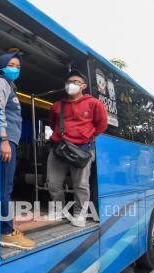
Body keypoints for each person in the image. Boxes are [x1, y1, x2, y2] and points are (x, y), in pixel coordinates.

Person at [46, 70, 108, 227]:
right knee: (53, 182)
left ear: (84, 86)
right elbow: (53, 124)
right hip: (59, 148)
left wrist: (87, 137)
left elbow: (102, 125)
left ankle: (79, 215)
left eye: (75, 82)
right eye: (69, 82)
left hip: (82, 149)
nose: (71, 84)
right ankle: (58, 211)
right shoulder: (57, 105)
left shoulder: (94, 103)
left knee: (80, 184)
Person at [0, 51, 36, 249]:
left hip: (10, 140)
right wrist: (4, 139)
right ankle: (6, 231)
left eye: (18, 66)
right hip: (6, 140)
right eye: (11, 64)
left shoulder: (10, 85)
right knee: (6, 186)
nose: (16, 68)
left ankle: (5, 227)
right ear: (2, 65)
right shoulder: (2, 82)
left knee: (6, 185)